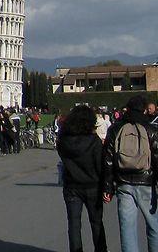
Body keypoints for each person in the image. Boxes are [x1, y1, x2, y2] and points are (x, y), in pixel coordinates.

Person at [103, 95, 158, 252]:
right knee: (154, 226)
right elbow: (156, 157)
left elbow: (108, 160)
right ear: (144, 109)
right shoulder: (151, 129)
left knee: (127, 229)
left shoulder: (115, 129)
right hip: (147, 181)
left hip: (123, 182)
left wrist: (108, 187)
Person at [58, 104, 108, 252]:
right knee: (96, 222)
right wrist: (106, 186)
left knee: (74, 224)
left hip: (72, 186)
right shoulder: (94, 141)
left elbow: (62, 156)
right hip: (92, 185)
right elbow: (101, 166)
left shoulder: (64, 141)